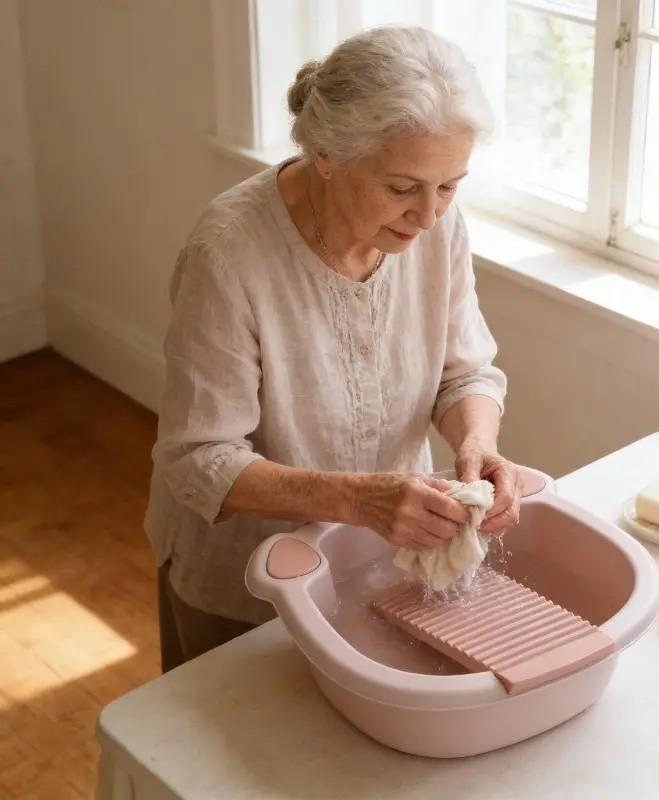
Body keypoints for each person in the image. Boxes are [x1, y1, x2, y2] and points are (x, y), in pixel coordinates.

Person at [145, 25, 522, 672]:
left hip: (384, 562)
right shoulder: (228, 256)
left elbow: (465, 374)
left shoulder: (436, 226)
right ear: (325, 154)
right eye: (403, 187)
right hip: (240, 588)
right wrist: (361, 500)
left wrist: (476, 442)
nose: (429, 216)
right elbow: (198, 460)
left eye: (450, 185)